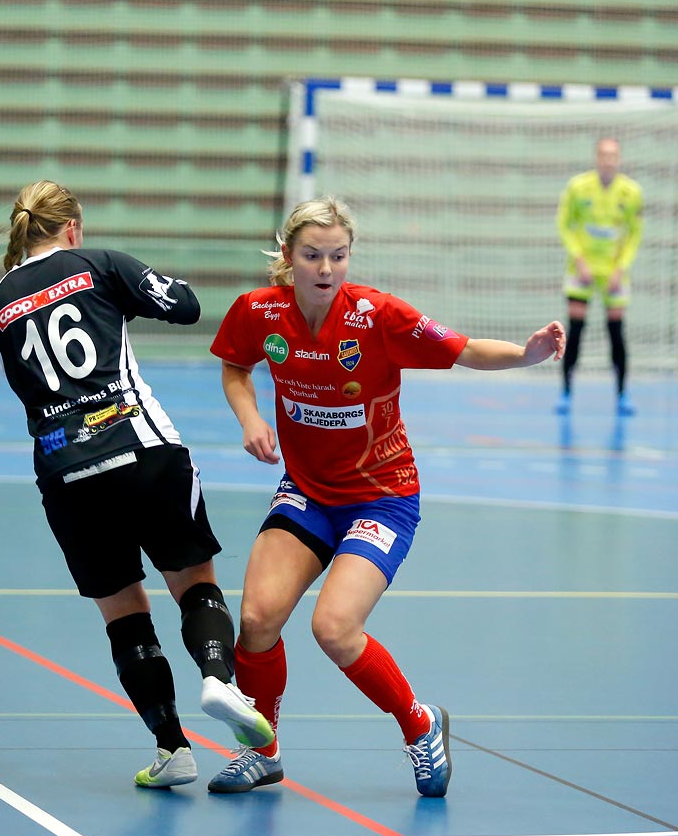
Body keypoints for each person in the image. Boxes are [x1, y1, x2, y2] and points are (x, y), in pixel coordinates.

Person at [206, 196, 565, 798]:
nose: (326, 268)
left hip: (381, 498)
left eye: (338, 256)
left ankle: (420, 727)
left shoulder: (377, 316)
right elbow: (235, 369)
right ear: (289, 257)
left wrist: (526, 355)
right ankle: (261, 752)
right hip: (307, 493)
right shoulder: (258, 312)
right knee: (257, 619)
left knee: (336, 627)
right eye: (313, 255)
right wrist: (250, 420)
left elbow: (464, 349)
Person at [0, 180, 274, 789]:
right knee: (192, 582)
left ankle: (173, 748)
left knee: (122, 612)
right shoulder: (101, 265)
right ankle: (219, 679)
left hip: (69, 477)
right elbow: (187, 305)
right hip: (145, 451)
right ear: (72, 228)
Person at [555, 136, 644, 417]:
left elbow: (634, 235)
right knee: (576, 329)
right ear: (596, 157)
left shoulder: (631, 192)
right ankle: (566, 391)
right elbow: (565, 224)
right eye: (603, 154)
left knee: (616, 332)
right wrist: (579, 258)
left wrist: (622, 267)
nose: (608, 160)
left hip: (614, 272)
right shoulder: (578, 188)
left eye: (613, 155)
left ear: (619, 158)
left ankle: (622, 394)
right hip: (581, 269)